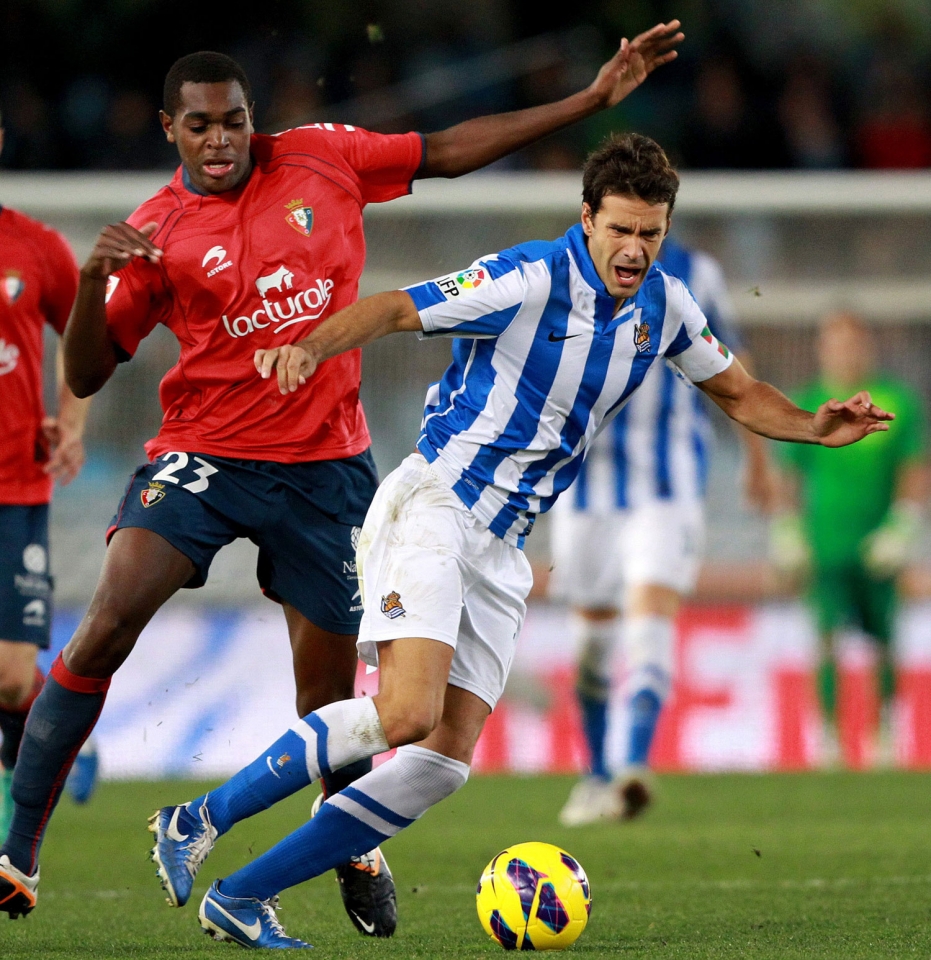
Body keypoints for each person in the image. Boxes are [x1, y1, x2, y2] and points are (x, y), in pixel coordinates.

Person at [0, 27, 687, 926]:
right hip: (205, 454)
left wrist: (588, 102)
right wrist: (93, 284)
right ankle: (17, 856)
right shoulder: (158, 231)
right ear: (170, 129)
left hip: (329, 469)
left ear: (253, 120)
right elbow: (88, 372)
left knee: (336, 700)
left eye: (235, 123)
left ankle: (342, 849)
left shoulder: (324, 158)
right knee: (105, 625)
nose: (221, 140)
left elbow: (444, 151)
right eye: (201, 126)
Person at [143, 131, 891, 948]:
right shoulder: (528, 276)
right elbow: (398, 308)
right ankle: (195, 819)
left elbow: (740, 394)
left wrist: (814, 428)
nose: (635, 250)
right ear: (586, 219)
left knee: (442, 760)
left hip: (500, 547)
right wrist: (309, 346)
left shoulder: (665, 307)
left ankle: (243, 894)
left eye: (651, 233)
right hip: (434, 506)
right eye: (621, 231)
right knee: (406, 713)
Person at [549, 234, 776, 826]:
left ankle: (630, 769)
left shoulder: (696, 272)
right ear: (594, 213)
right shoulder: (562, 270)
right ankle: (597, 775)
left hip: (667, 487)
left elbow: (733, 367)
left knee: (650, 623)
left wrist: (756, 457)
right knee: (590, 650)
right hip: (585, 490)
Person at [770, 310, 927, 766]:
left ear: (866, 347)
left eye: (851, 343)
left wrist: (903, 526)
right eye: (834, 343)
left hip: (877, 545)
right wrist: (787, 528)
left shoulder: (897, 401)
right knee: (825, 639)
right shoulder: (808, 403)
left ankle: (885, 736)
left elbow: (913, 469)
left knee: (884, 640)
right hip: (825, 544)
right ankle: (830, 739)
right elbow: (790, 475)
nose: (843, 352)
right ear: (823, 349)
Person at [0, 109, 96, 845]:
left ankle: (61, 733)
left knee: (6, 677)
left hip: (14, 487)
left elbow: (86, 336)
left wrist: (72, 416)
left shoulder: (35, 248)